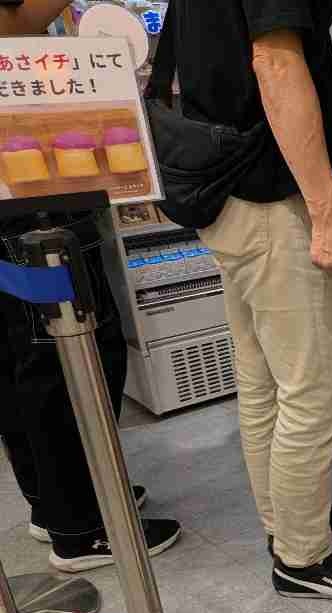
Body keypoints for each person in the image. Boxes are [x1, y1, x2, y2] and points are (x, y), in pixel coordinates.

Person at [167, 0, 332, 601]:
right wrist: (328, 212)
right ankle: (303, 557)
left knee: (265, 380)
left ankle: (290, 524)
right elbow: (275, 61)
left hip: (226, 189)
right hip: (270, 198)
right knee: (313, 391)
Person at [0, 0, 182, 573]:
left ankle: (55, 503)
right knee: (66, 364)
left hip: (19, 208)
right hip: (34, 213)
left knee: (24, 364)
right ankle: (80, 528)